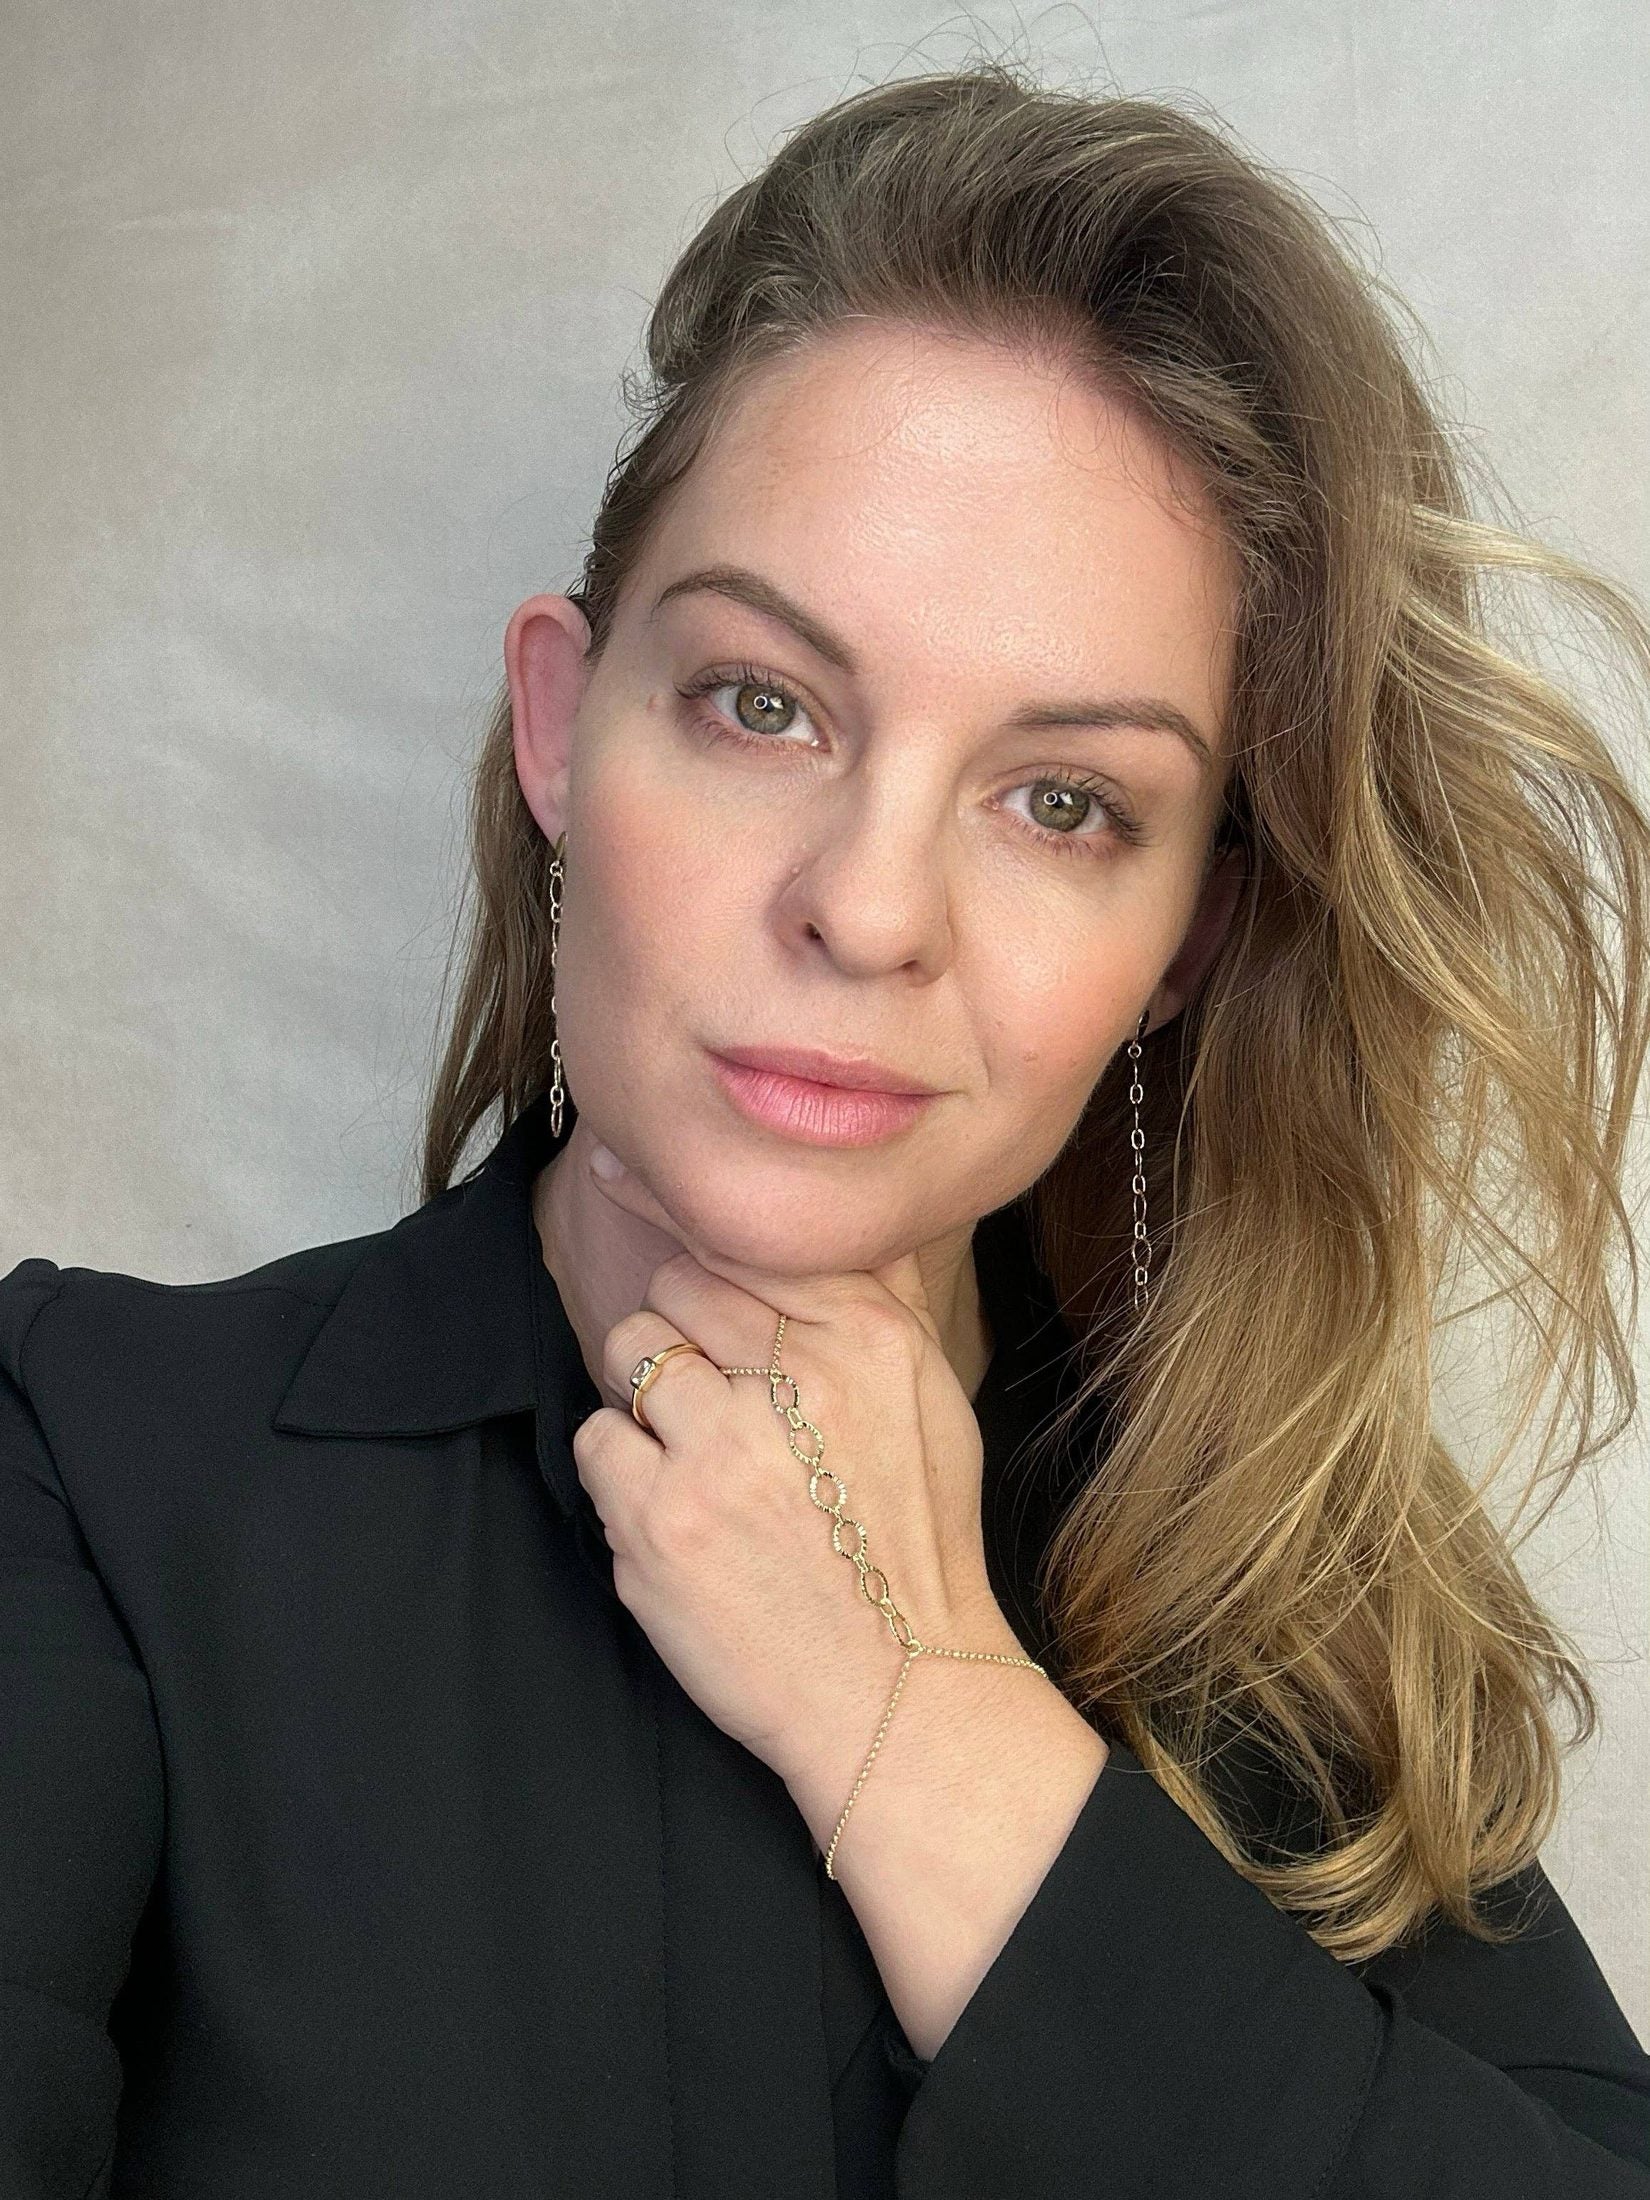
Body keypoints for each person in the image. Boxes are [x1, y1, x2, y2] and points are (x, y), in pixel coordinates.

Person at [4, 57, 1650, 2200]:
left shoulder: (1283, 1604)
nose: (869, 908)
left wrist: (922, 1718)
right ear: (561, 726)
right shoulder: (88, 1460)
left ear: (1185, 935)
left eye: (1064, 801)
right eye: (763, 702)